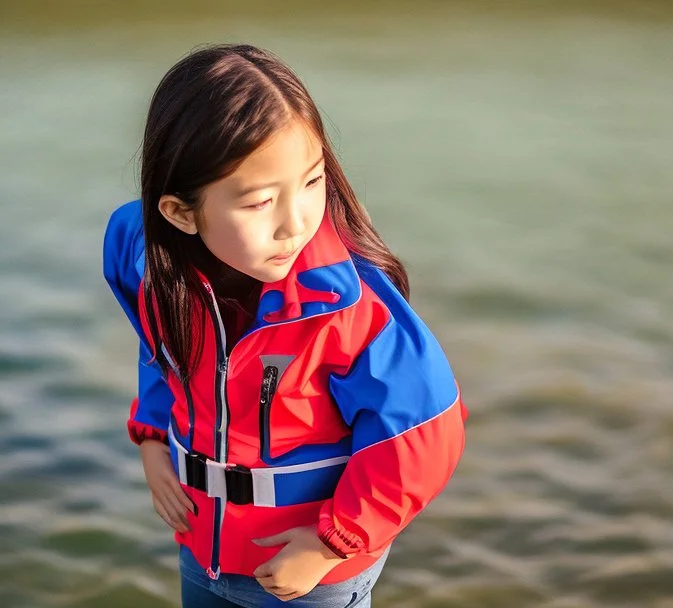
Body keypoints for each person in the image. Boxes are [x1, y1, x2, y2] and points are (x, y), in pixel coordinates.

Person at [102, 43, 468, 608]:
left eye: (312, 181)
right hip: (204, 549)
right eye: (259, 202)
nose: (294, 222)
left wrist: (331, 544)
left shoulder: (349, 309)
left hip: (308, 573)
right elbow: (162, 351)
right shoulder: (147, 259)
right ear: (179, 213)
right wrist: (153, 440)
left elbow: (422, 432)